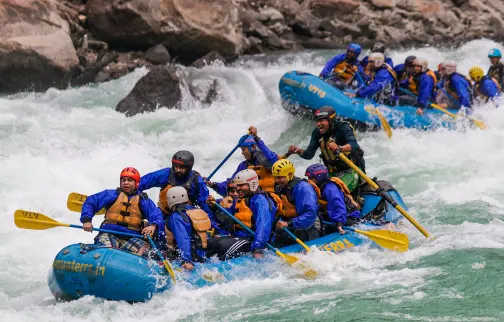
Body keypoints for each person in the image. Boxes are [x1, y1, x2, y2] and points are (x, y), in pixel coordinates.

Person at [81, 167, 163, 255]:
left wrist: (153, 226)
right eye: (123, 180)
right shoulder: (111, 195)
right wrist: (87, 220)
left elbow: (157, 215)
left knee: (146, 250)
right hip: (109, 234)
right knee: (108, 250)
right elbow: (91, 202)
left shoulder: (144, 201)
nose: (126, 182)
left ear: (137, 183)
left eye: (130, 180)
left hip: (131, 237)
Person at [287, 106, 365, 194]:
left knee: (335, 192)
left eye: (321, 120)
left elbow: (353, 144)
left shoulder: (343, 128)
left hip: (351, 170)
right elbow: (309, 154)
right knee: (316, 191)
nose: (318, 124)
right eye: (317, 121)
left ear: (331, 120)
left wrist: (339, 148)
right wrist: (298, 151)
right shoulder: (317, 133)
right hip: (331, 172)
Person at [138, 150, 214, 218]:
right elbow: (141, 183)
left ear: (188, 168)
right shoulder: (166, 174)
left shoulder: (197, 181)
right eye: (176, 167)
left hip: (186, 217)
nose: (178, 170)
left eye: (181, 168)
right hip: (163, 214)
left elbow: (205, 206)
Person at [206, 126, 279, 196]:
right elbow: (231, 185)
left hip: (269, 198)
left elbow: (274, 161)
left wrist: (256, 138)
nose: (242, 153)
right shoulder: (243, 166)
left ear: (253, 147)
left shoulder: (266, 159)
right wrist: (213, 185)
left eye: (244, 149)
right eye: (241, 150)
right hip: (251, 200)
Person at [271, 159, 320, 247]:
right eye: (276, 177)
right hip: (292, 223)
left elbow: (310, 214)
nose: (277, 180)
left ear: (290, 175)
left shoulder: (303, 188)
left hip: (309, 225)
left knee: (300, 234)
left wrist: (289, 223)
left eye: (280, 177)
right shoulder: (281, 187)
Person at [164, 186, 212, 270]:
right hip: (203, 255)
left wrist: (186, 261)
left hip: (190, 256)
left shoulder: (176, 217)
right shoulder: (198, 211)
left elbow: (183, 238)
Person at [305, 164, 361, 235]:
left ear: (318, 178)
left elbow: (338, 205)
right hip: (336, 215)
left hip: (349, 216)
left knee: (324, 230)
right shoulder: (319, 187)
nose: (309, 180)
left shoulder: (330, 189)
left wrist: (339, 223)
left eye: (310, 178)